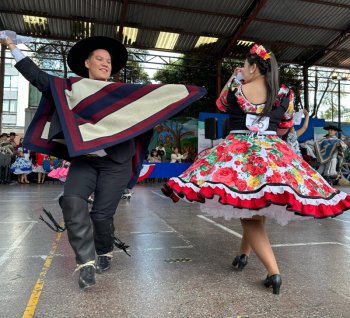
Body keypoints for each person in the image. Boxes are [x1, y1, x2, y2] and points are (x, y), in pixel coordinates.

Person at [1, 33, 205, 290]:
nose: (105, 63)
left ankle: (105, 249)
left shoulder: (123, 95)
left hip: (116, 162)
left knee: (100, 215)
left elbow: (157, 100)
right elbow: (39, 78)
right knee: (72, 202)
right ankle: (86, 263)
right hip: (85, 161)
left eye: (108, 60)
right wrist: (12, 48)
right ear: (87, 63)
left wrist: (186, 94)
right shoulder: (72, 89)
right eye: (99, 58)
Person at [162, 44, 350, 295]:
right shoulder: (284, 93)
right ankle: (242, 254)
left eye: (244, 65)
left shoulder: (235, 88)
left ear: (252, 67)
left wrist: (236, 77)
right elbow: (284, 125)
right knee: (254, 205)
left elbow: (220, 105)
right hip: (272, 152)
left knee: (248, 210)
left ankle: (274, 273)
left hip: (237, 152)